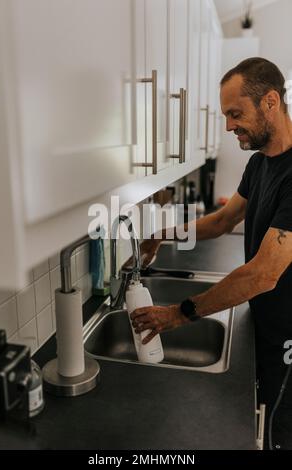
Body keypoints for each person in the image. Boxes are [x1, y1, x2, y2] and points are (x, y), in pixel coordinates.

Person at [130, 58, 292, 450]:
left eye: (235, 113)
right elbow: (222, 221)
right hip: (265, 319)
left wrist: (176, 314)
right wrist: (160, 235)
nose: (228, 126)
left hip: (287, 335)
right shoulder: (260, 164)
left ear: (270, 101)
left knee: (279, 433)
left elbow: (263, 274)